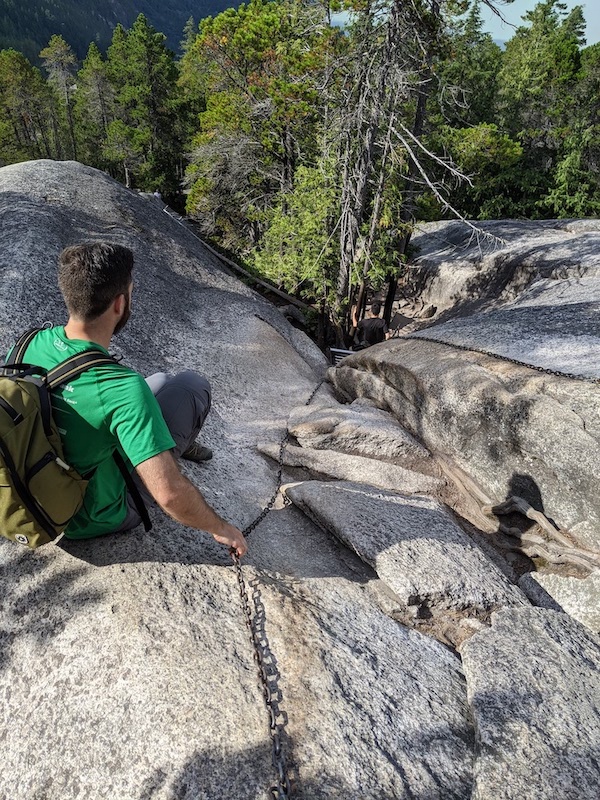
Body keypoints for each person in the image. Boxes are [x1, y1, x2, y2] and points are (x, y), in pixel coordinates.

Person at [9, 242, 247, 556]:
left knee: (161, 380)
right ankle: (170, 447)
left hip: (31, 485)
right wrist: (221, 528)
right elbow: (169, 495)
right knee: (192, 386)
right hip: (91, 516)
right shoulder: (120, 387)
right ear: (120, 304)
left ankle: (161, 441)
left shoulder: (29, 342)